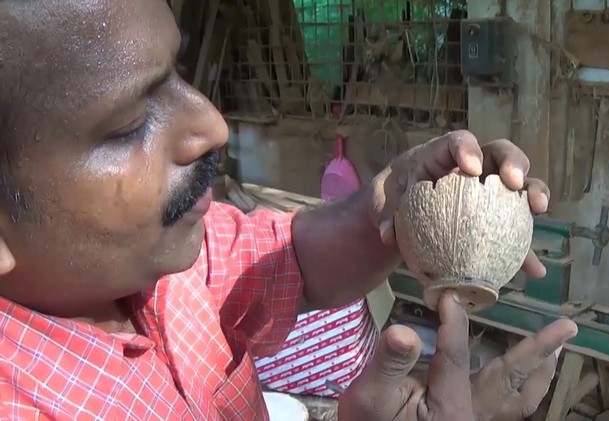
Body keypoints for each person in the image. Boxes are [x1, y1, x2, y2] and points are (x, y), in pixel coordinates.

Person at [0, 1, 578, 420]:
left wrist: (403, 209)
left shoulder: (151, 262)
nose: (212, 126)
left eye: (175, 75)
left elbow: (287, 258)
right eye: (128, 126)